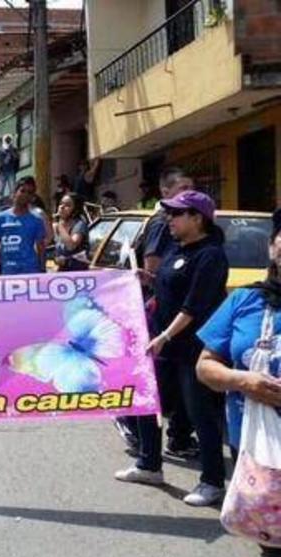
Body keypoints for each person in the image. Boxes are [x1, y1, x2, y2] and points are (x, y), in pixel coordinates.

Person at [115, 190, 229, 508]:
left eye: (177, 214)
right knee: (146, 403)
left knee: (200, 414)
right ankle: (149, 465)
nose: (170, 219)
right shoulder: (179, 250)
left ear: (198, 218)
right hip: (165, 345)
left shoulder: (211, 255)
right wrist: (148, 278)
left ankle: (212, 482)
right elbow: (170, 290)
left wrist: (164, 335)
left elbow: (194, 305)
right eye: (169, 213)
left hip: (193, 349)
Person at [196, 226, 281, 557]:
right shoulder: (245, 300)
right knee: (271, 537)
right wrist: (245, 382)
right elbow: (205, 367)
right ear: (273, 249)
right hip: (253, 442)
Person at [0, 177, 46, 275]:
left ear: (33, 197)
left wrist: (42, 269)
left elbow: (41, 246)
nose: (25, 195)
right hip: (8, 270)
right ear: (15, 192)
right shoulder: (0, 218)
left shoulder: (36, 220)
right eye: (22, 191)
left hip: (30, 270)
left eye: (30, 192)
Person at [53, 193, 90, 272]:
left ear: (75, 209)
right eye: (61, 204)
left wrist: (60, 226)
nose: (62, 207)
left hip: (77, 272)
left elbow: (71, 245)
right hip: (63, 271)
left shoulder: (79, 224)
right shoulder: (57, 226)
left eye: (67, 205)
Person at [0, 134, 19, 201]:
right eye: (6, 139)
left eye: (9, 139)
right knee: (1, 187)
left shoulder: (14, 149)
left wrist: (11, 151)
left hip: (11, 170)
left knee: (12, 187)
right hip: (2, 171)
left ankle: (13, 199)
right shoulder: (0, 150)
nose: (8, 141)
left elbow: (16, 158)